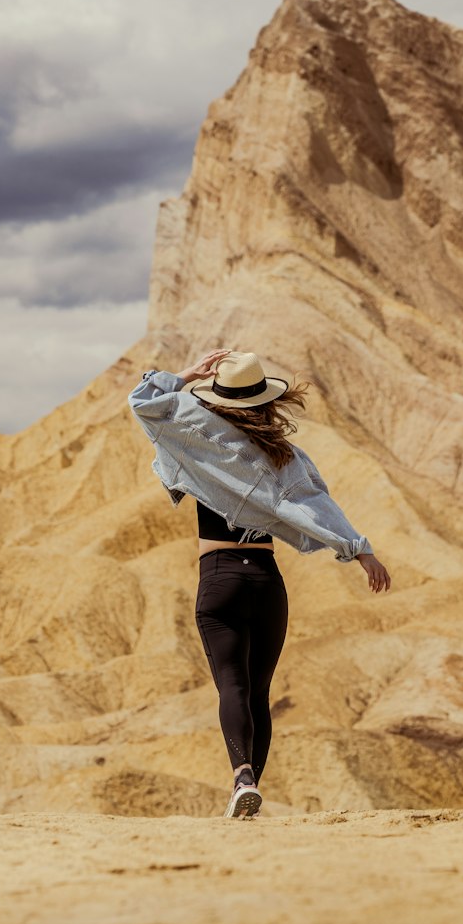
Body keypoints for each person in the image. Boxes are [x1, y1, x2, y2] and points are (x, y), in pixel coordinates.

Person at [127, 346, 391, 819]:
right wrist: (359, 550)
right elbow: (316, 503)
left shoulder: (194, 428)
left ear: (217, 396)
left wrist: (184, 375)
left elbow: (142, 401)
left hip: (219, 579)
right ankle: (248, 797)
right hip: (267, 583)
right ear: (263, 402)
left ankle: (241, 777)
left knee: (231, 686)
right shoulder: (283, 455)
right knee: (259, 692)